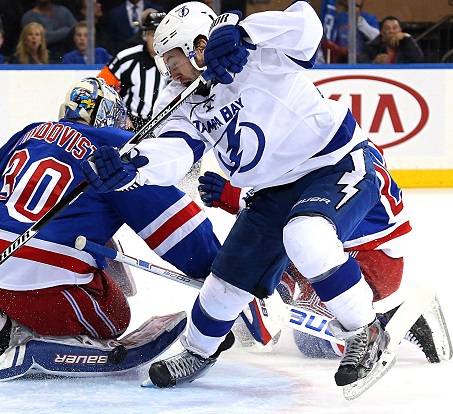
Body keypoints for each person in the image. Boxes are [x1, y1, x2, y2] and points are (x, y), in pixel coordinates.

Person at [81, 1, 391, 390]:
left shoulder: (257, 53)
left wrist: (246, 33)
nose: (168, 70)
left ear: (198, 43)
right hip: (271, 190)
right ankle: (198, 350)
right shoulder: (180, 97)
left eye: (173, 58)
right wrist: (135, 167)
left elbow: (306, 25)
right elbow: (178, 151)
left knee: (306, 235)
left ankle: (367, 330)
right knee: (224, 283)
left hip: (334, 161)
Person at [0, 77, 222, 381]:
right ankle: (16, 332)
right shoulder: (120, 150)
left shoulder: (32, 132)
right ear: (112, 116)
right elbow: (174, 227)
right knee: (114, 315)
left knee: (90, 245)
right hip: (43, 282)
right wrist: (221, 270)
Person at [197, 141, 450, 363]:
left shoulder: (330, 153)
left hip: (369, 257)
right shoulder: (328, 141)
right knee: (282, 238)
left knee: (310, 339)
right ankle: (269, 298)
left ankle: (397, 322)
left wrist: (241, 198)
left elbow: (294, 207)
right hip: (341, 245)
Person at [98, 10, 166, 130]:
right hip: (130, 125)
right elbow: (101, 87)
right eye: (153, 35)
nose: (157, 40)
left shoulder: (177, 60)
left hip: (164, 126)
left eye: (162, 35)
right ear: (145, 36)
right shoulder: (126, 58)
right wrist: (120, 115)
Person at [360, 16, 424, 64]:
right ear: (382, 32)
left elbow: (419, 60)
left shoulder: (406, 45)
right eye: (387, 28)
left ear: (400, 30)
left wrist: (408, 38)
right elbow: (360, 66)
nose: (391, 31)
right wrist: (374, 62)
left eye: (395, 28)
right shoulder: (371, 47)